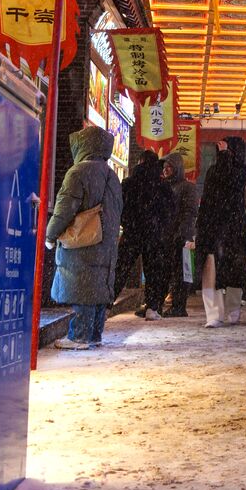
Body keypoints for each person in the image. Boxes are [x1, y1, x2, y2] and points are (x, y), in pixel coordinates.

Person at [45, 127, 123, 350]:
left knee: (83, 287)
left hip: (84, 240)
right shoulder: (112, 175)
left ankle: (79, 335)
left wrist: (51, 234)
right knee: (97, 288)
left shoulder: (78, 172)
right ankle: (94, 333)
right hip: (106, 242)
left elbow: (64, 209)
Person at [195, 136, 246, 327]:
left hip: (231, 229)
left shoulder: (242, 172)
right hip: (216, 229)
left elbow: (228, 179)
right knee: (212, 272)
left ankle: (231, 312)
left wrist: (223, 158)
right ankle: (215, 314)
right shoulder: (216, 170)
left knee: (232, 272)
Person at [120, 150, 177, 321]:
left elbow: (120, 207)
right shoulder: (163, 185)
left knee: (121, 268)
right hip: (155, 235)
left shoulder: (129, 183)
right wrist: (161, 228)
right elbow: (171, 211)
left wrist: (127, 223)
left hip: (132, 232)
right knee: (154, 272)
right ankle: (153, 307)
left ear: (140, 161)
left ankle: (106, 305)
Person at [162, 154, 200, 317]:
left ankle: (179, 306)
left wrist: (183, 233)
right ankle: (163, 304)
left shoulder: (187, 187)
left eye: (169, 166)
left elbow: (190, 212)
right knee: (167, 271)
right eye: (164, 167)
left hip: (183, 238)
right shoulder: (164, 186)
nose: (165, 170)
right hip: (166, 237)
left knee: (182, 273)